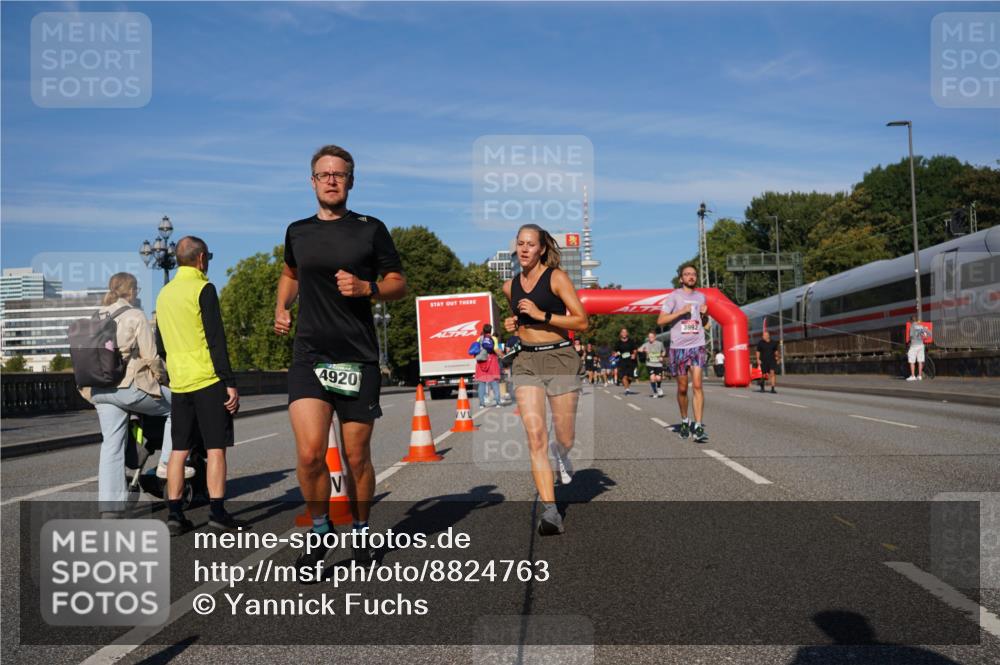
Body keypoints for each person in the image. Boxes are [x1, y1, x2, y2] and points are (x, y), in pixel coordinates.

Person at [275, 144, 407, 569]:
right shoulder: (297, 231)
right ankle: (318, 531)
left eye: (339, 174)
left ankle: (362, 529)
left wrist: (367, 288)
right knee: (311, 454)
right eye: (323, 174)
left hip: (357, 357)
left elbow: (398, 283)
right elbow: (290, 273)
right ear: (312, 181)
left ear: (351, 181)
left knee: (356, 457)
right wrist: (282, 307)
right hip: (310, 355)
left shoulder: (371, 229)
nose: (331, 180)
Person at [504, 224, 589, 536]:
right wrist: (512, 324)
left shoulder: (556, 277)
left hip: (561, 358)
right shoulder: (509, 286)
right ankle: (551, 511)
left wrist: (543, 315)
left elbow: (582, 322)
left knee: (563, 437)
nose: (525, 249)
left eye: (531, 244)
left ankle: (563, 453)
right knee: (535, 435)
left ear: (541, 249)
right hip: (525, 361)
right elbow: (518, 325)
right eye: (520, 243)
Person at [83, 273, 189, 516]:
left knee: (111, 445)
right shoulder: (135, 315)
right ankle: (166, 465)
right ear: (132, 291)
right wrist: (164, 380)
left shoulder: (95, 317)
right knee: (180, 408)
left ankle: (110, 510)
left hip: (100, 390)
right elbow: (152, 358)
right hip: (128, 387)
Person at [156, 237, 241, 534]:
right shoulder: (203, 289)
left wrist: (177, 369)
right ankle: (217, 513)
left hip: (180, 383)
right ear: (201, 258)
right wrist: (229, 383)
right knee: (216, 448)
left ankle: (175, 516)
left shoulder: (164, 294)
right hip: (207, 379)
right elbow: (216, 339)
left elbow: (160, 344)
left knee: (178, 451)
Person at [657, 264, 710, 443]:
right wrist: (681, 311)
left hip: (697, 345)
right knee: (682, 388)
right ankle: (685, 421)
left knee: (697, 386)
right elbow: (661, 320)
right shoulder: (674, 296)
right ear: (681, 279)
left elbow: (705, 324)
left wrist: (705, 315)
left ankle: (699, 425)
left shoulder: (701, 296)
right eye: (687, 274)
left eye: (693, 274)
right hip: (679, 347)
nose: (691, 277)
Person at [474, 323, 501, 407]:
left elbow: (475, 350)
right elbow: (496, 349)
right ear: (490, 330)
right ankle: (497, 403)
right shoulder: (493, 338)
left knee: (482, 383)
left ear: (483, 330)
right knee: (494, 382)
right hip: (492, 361)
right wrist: (502, 355)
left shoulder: (479, 339)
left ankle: (481, 404)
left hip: (481, 362)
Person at [639, 331, 666, 398]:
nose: (650, 338)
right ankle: (655, 392)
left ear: (655, 337)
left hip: (658, 364)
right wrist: (643, 350)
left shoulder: (660, 344)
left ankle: (659, 388)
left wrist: (662, 356)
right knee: (652, 378)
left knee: (658, 378)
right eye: (649, 337)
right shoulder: (646, 344)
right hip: (650, 363)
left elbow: (664, 351)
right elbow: (639, 349)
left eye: (652, 337)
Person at [614, 328, 638, 395]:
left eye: (625, 332)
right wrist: (615, 354)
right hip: (622, 362)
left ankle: (627, 385)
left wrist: (634, 354)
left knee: (630, 377)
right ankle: (627, 390)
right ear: (621, 334)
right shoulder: (618, 343)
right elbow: (614, 351)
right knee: (624, 376)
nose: (624, 333)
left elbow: (635, 349)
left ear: (627, 334)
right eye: (623, 332)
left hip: (631, 361)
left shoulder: (631, 341)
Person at [905, 316, 929, 381]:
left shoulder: (912, 326)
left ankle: (913, 376)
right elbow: (926, 335)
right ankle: (920, 376)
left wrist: (908, 344)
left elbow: (911, 337)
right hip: (921, 345)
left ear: (911, 321)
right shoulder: (921, 326)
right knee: (920, 361)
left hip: (914, 345)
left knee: (912, 361)